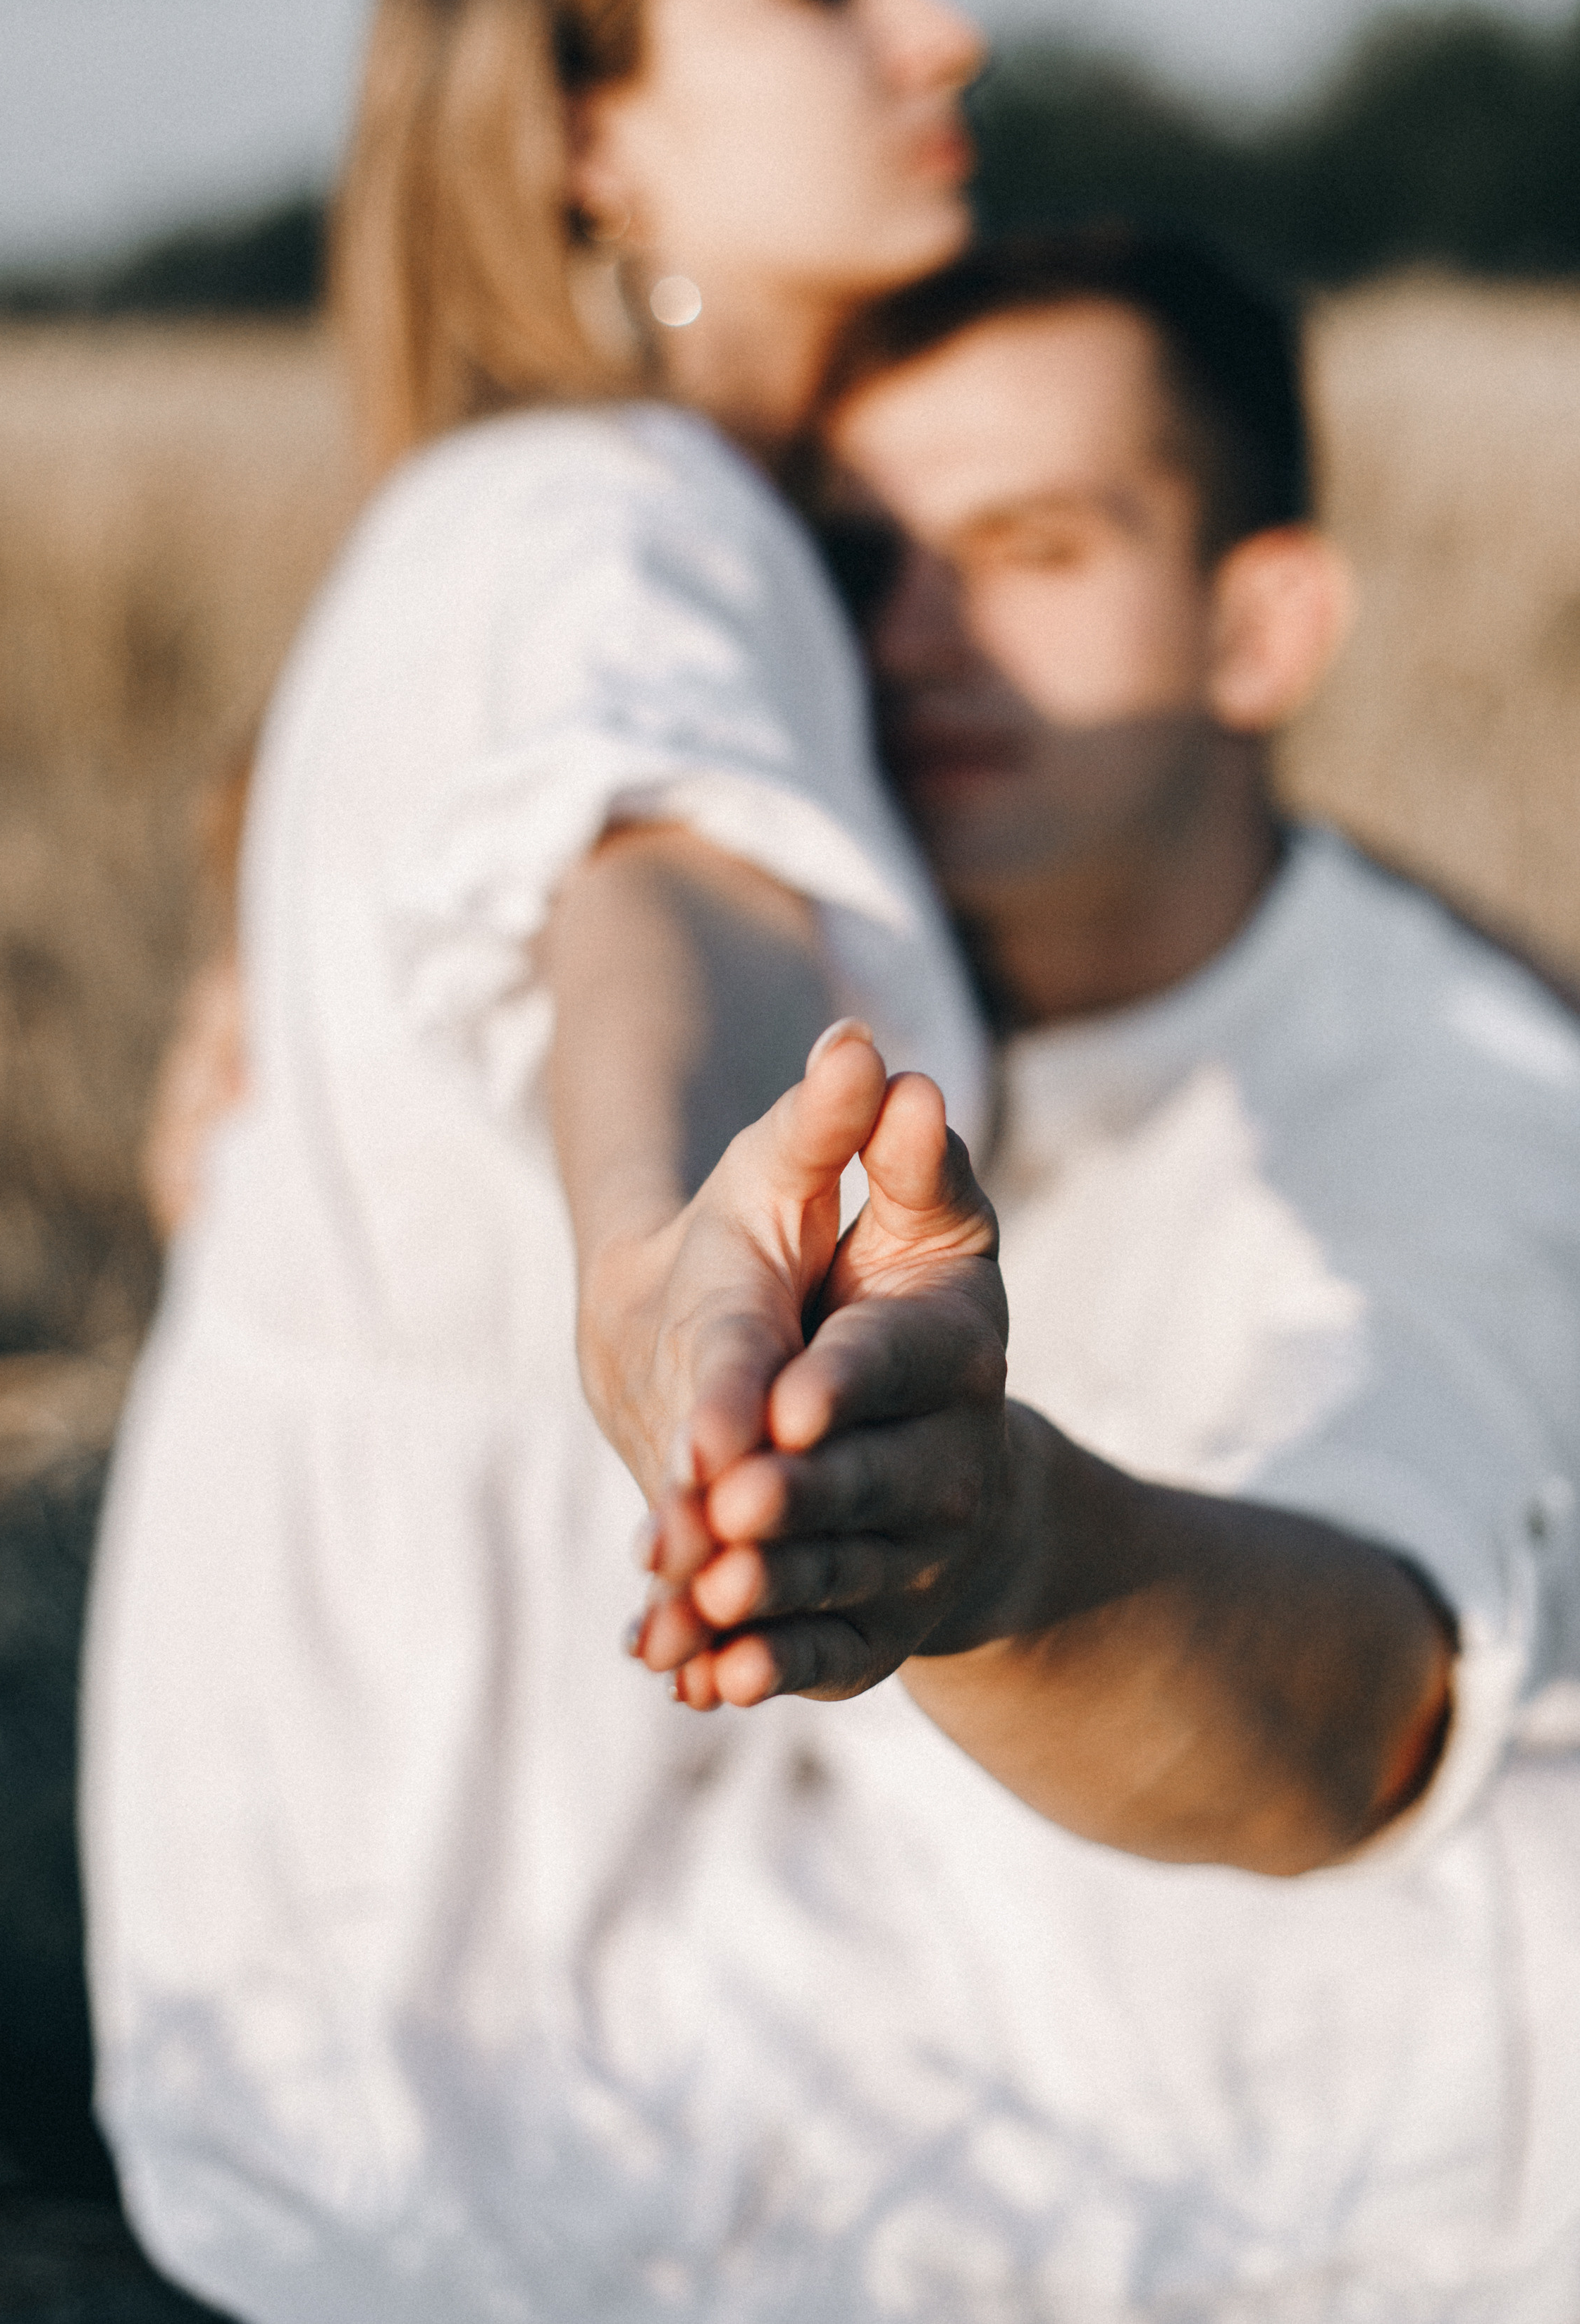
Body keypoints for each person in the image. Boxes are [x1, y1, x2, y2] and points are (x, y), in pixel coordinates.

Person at [79, 0, 1016, 2318]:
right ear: (584, 125)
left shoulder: (594, 517)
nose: (944, 33)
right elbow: (654, 879)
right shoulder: (606, 521)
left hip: (407, 1893)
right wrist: (667, 1232)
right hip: (526, 1955)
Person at [632, 230, 1580, 2313]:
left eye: (1034, 549)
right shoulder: (840, 977)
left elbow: (1358, 1706)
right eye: (861, 562)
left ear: (1261, 627)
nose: (913, 640)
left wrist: (990, 1552)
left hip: (1320, 2218)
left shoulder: (1470, 1119)